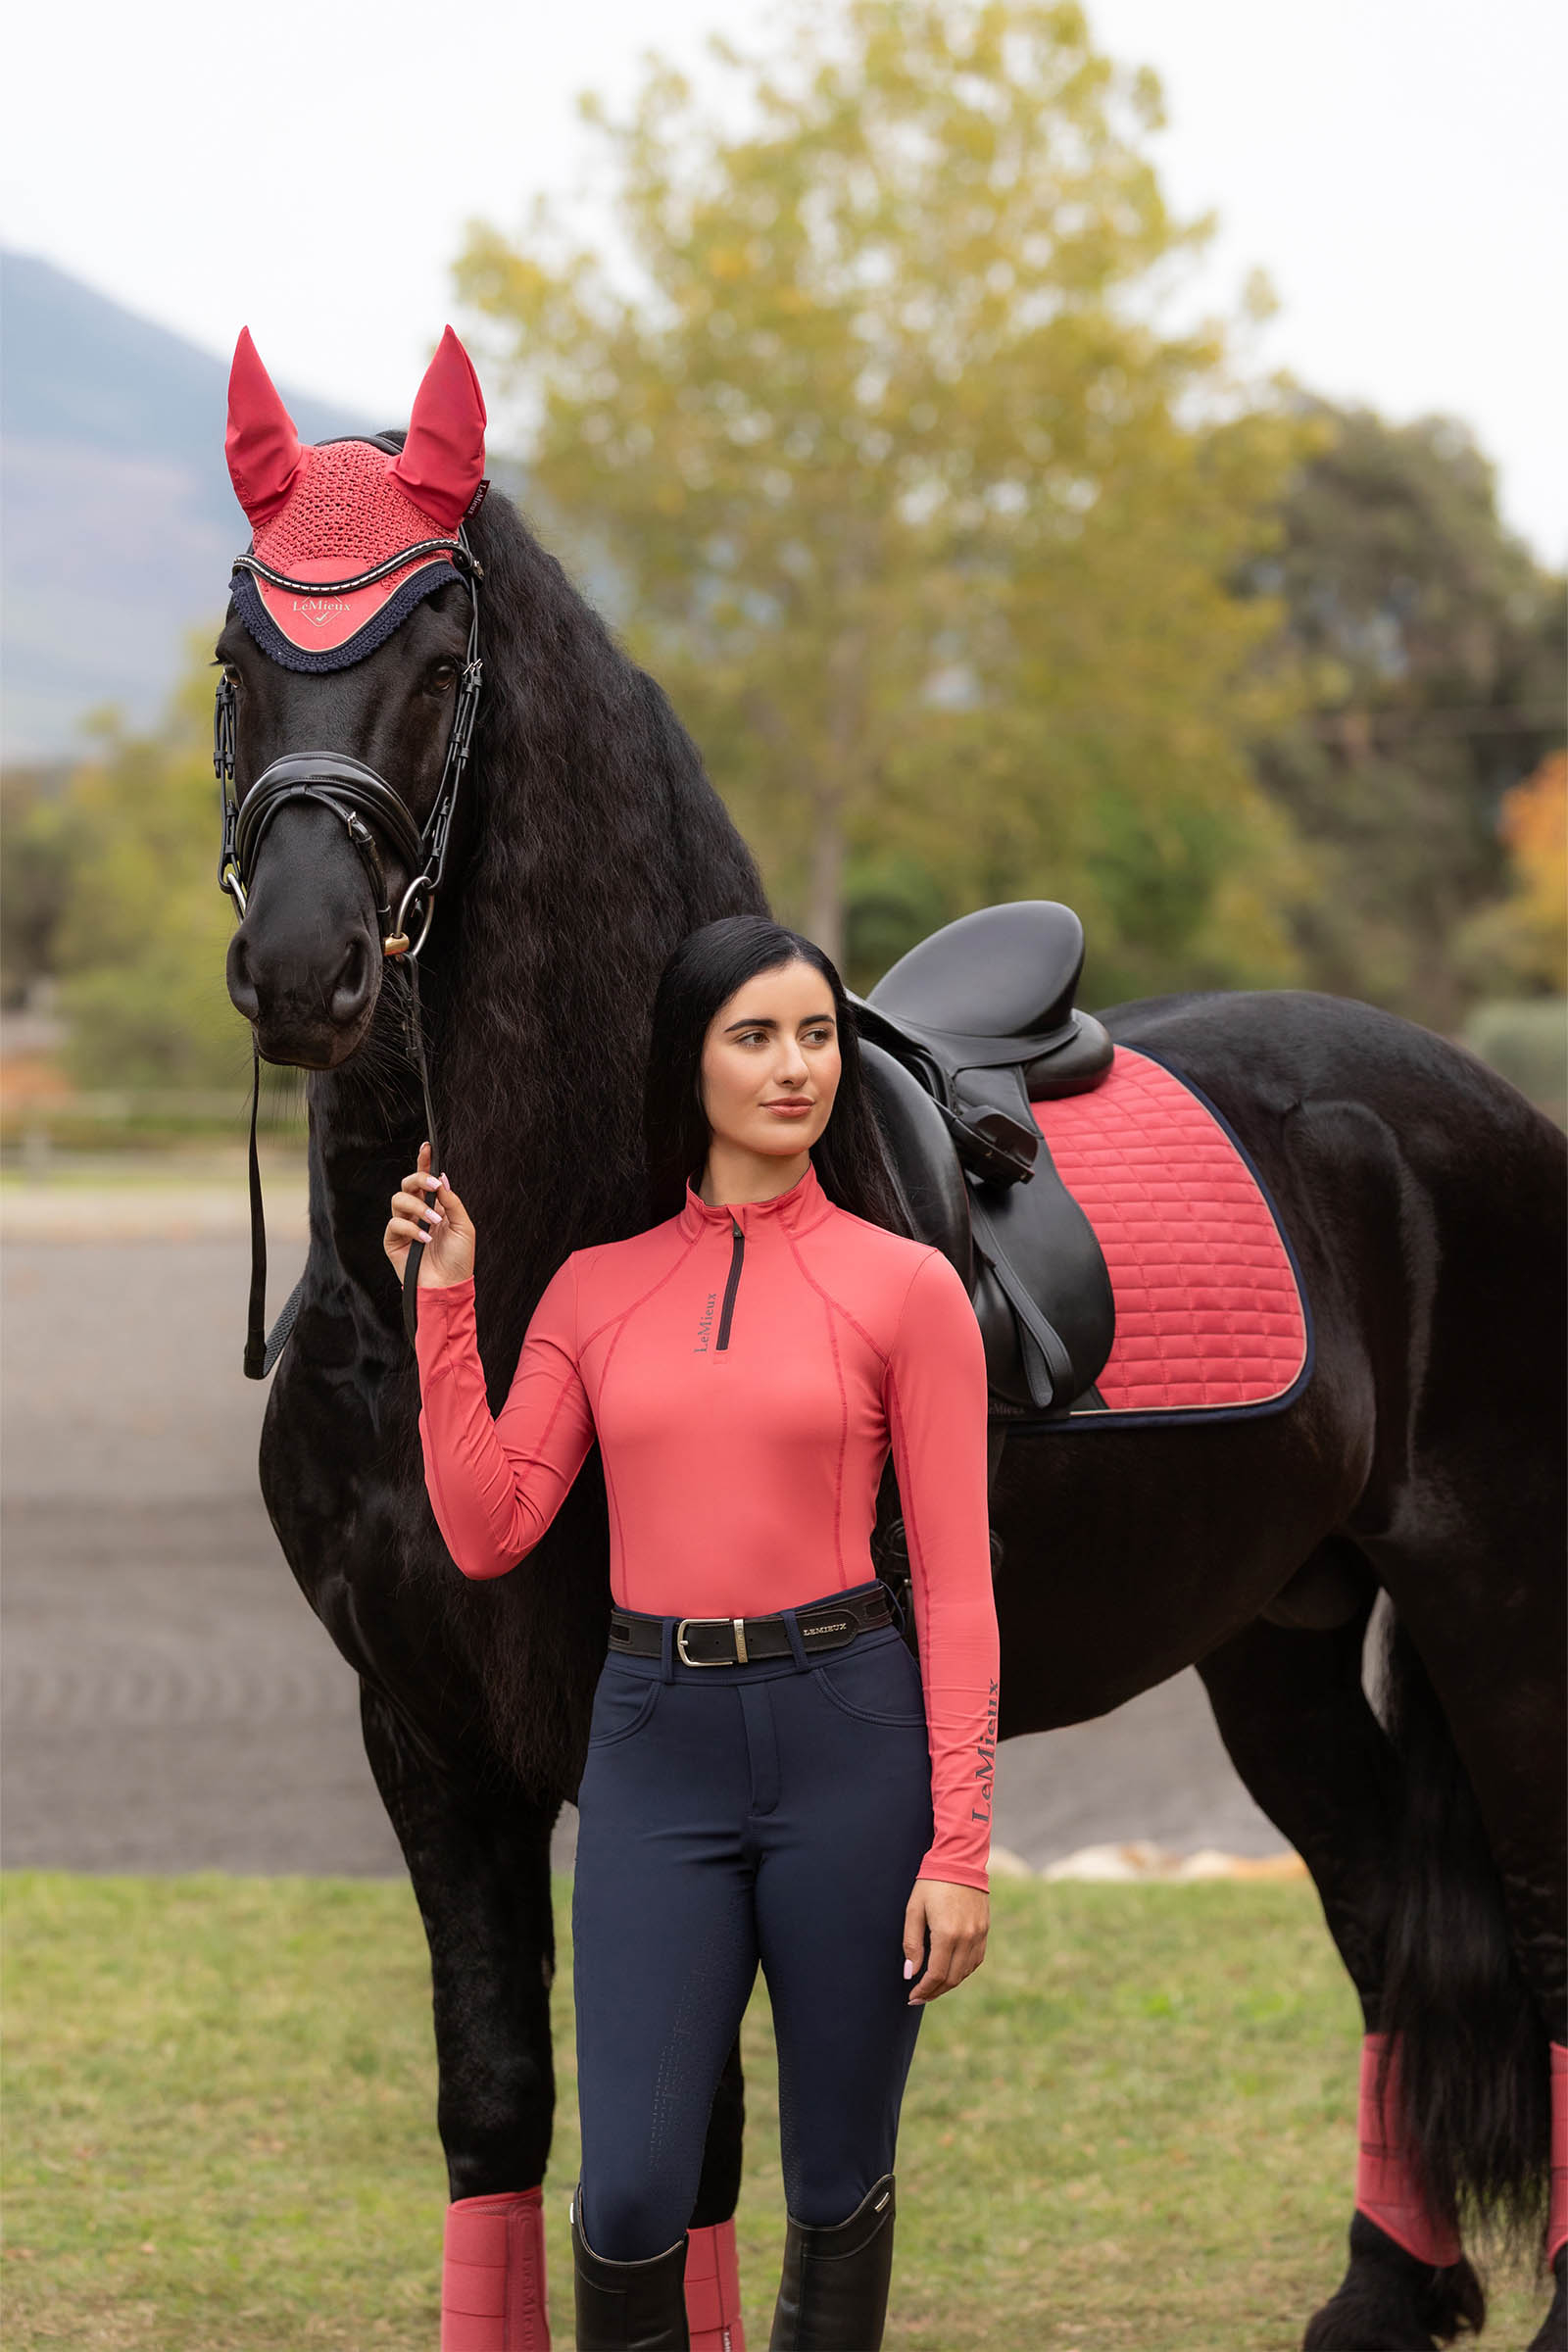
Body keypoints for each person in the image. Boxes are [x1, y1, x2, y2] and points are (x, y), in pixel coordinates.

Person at [384, 913, 1000, 2352]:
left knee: (837, 2180)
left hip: (850, 1742)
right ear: (689, 1061)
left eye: (818, 1035)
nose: (796, 1068)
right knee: (631, 2192)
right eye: (756, 1036)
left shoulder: (907, 1288)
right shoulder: (596, 1290)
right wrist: (447, 1304)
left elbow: (958, 1586)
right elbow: (490, 1528)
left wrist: (960, 1846)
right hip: (656, 1752)